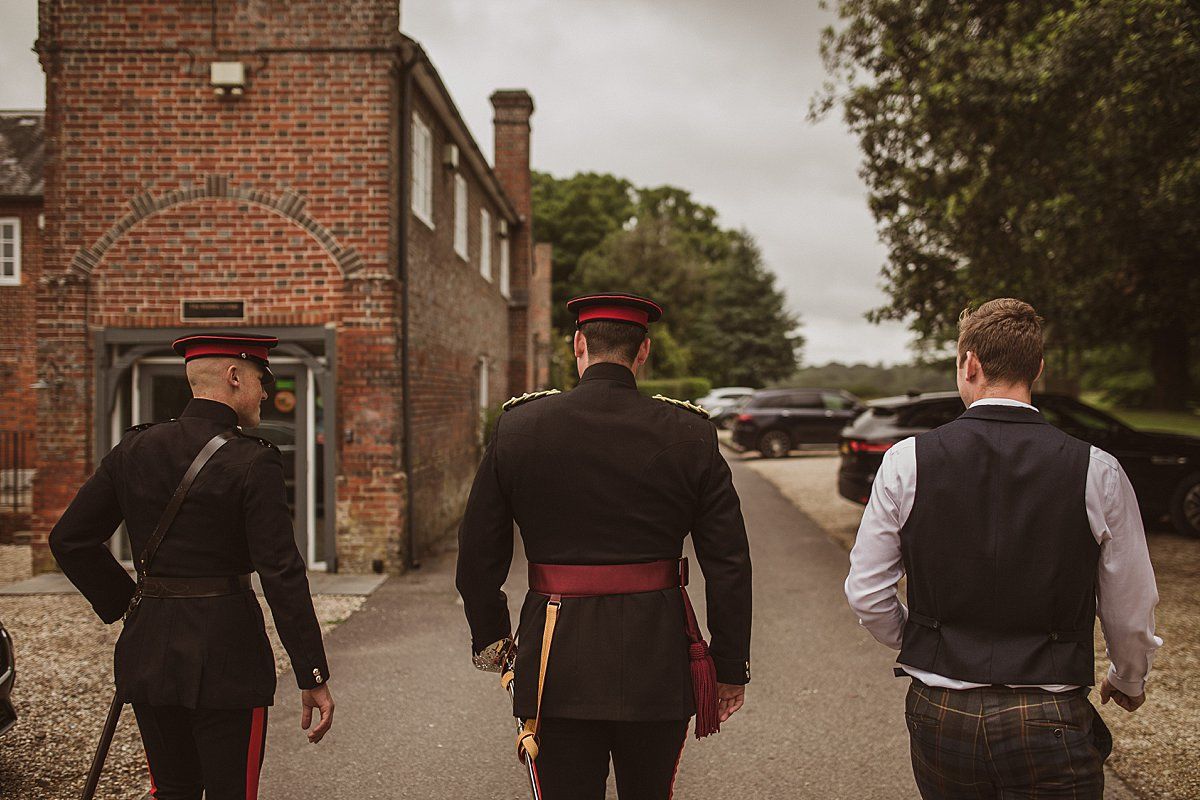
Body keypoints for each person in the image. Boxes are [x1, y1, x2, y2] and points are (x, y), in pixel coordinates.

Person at [846, 299, 1161, 799]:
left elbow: (867, 593)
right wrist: (1128, 678)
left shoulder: (906, 461)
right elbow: (1130, 603)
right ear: (1037, 367)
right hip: (1049, 710)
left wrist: (928, 641)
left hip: (940, 708)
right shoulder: (1096, 469)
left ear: (969, 363)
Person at [456, 292, 753, 800]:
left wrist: (497, 646)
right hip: (657, 658)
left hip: (554, 657)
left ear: (578, 345)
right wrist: (728, 667)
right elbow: (728, 564)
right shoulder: (690, 432)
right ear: (643, 352)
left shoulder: (519, 427)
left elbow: (478, 558)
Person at [50, 332, 335, 800]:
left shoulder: (134, 448)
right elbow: (282, 574)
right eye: (261, 379)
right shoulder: (254, 461)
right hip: (229, 656)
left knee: (174, 792)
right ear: (233, 376)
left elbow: (69, 539)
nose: (265, 392)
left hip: (149, 653)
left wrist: (130, 603)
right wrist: (312, 675)